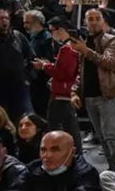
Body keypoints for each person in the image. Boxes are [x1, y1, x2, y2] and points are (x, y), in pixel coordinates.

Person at [70, 9, 115, 171]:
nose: (94, 22)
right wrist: (74, 91)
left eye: (97, 19)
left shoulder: (113, 40)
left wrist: (86, 51)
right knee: (101, 137)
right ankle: (112, 168)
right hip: (90, 96)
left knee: (110, 135)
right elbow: (82, 71)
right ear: (85, 22)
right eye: (90, 19)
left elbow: (108, 62)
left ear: (103, 21)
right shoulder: (84, 42)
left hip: (108, 94)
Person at [34, 18, 82, 153]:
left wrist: (45, 66)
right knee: (69, 126)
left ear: (60, 30)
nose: (51, 34)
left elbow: (63, 73)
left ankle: (69, 153)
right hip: (65, 92)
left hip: (62, 93)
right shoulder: (74, 45)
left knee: (59, 126)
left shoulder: (67, 49)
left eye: (52, 31)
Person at [0, 7, 34, 122]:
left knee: (27, 118)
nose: (4, 21)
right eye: (0, 18)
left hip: (19, 86)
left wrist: (27, 76)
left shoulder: (17, 36)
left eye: (6, 18)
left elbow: (31, 57)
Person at [23, 10, 54, 118]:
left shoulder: (47, 39)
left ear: (37, 22)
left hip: (43, 82)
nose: (25, 25)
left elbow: (49, 60)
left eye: (28, 22)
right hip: (34, 81)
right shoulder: (32, 37)